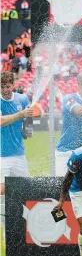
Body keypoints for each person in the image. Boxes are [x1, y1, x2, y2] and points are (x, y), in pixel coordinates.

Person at [0, 71, 33, 234]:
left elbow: (28, 120)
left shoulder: (22, 98)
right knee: (1, 191)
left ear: (13, 85)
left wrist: (28, 128)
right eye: (2, 87)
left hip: (19, 154)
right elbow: (1, 121)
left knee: (24, 190)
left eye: (8, 86)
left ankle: (22, 229)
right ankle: (6, 230)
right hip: (1, 156)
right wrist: (21, 114)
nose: (5, 90)